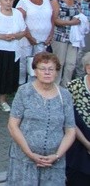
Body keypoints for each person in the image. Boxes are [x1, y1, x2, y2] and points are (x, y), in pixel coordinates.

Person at [7, 52, 76, 185]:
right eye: (42, 69)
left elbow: (70, 130)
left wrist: (57, 156)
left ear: (56, 72)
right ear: (35, 71)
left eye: (51, 69)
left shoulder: (65, 95)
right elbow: (12, 125)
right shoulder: (24, 91)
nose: (47, 72)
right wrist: (29, 153)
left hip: (54, 162)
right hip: (24, 160)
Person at [16, 0, 54, 83]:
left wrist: (50, 35)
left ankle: (34, 86)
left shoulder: (46, 1)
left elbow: (51, 19)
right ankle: (21, 85)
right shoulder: (23, 1)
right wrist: (29, 37)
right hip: (27, 40)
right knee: (24, 64)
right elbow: (21, 21)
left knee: (39, 64)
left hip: (43, 40)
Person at [51, 0, 83, 87]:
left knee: (71, 63)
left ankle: (67, 86)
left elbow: (80, 15)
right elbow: (55, 20)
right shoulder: (56, 1)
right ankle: (55, 85)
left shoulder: (77, 2)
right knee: (59, 62)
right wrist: (70, 22)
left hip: (73, 37)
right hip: (60, 36)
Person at [67, 52, 90, 185]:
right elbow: (69, 120)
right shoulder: (74, 87)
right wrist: (87, 144)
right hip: (78, 145)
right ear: (88, 68)